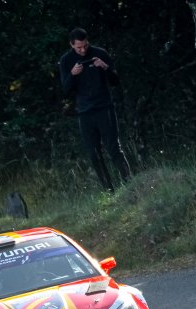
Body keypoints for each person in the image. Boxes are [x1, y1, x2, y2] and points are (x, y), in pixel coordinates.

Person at [59, 27, 131, 192]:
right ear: (72, 45)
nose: (83, 50)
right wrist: (73, 74)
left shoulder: (100, 53)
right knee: (93, 154)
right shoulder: (66, 60)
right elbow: (65, 89)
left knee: (113, 148)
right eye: (79, 47)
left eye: (85, 45)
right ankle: (108, 191)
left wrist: (105, 67)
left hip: (104, 107)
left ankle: (129, 183)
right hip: (84, 112)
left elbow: (115, 81)